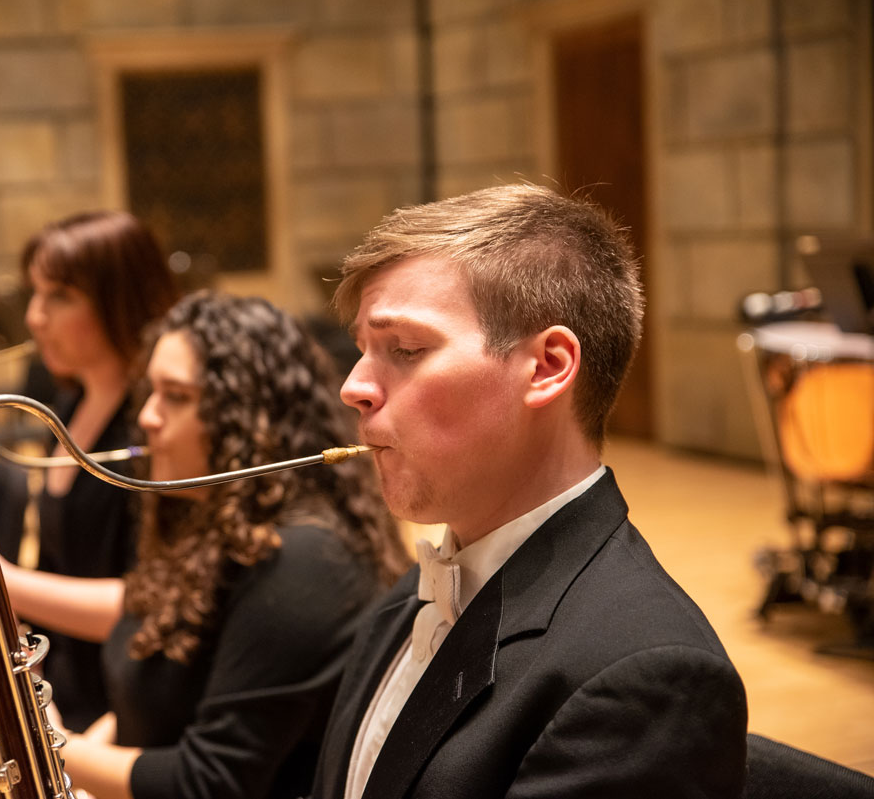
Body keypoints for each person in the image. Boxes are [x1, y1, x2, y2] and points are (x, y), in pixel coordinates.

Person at [311, 184, 749, 799]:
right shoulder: (410, 595)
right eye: (362, 351)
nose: (353, 387)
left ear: (546, 367)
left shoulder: (642, 674)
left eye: (405, 349)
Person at [40, 291, 409, 799]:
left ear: (245, 418)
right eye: (151, 391)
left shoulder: (306, 561)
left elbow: (211, 782)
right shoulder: (219, 527)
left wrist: (53, 749)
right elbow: (155, 688)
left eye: (177, 396)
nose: (147, 416)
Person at [0, 210, 180, 732]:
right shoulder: (68, 407)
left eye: (59, 297)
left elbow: (157, 601)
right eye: (34, 294)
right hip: (64, 694)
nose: (34, 318)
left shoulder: (155, 426)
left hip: (125, 711)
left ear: (120, 302)